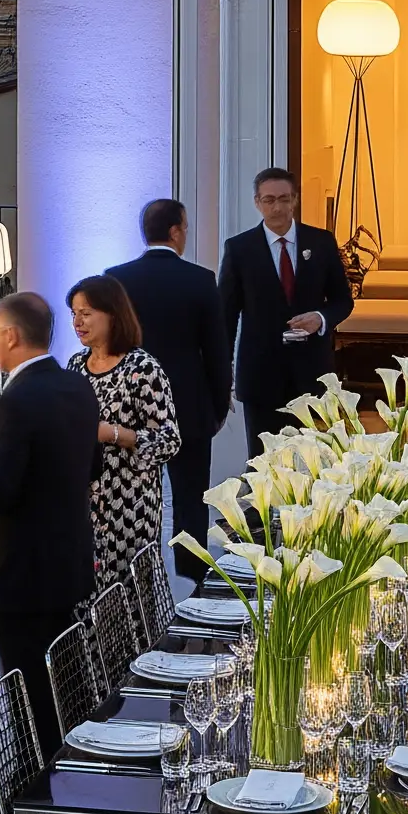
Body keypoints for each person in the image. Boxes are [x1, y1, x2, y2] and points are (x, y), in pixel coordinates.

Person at [0, 290, 101, 766]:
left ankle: (30, 794)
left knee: (26, 687)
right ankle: (65, 775)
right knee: (61, 681)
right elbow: (88, 465)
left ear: (11, 335)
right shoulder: (76, 385)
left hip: (18, 572)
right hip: (65, 560)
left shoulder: (16, 399)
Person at [110, 197, 230, 574]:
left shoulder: (116, 278)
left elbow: (108, 345)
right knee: (190, 499)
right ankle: (193, 578)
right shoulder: (199, 279)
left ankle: (135, 575)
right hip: (187, 408)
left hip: (130, 407)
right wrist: (217, 406)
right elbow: (216, 350)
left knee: (130, 497)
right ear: (176, 231)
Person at [218, 165, 353, 456]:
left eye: (283, 199)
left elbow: (344, 300)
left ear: (295, 200)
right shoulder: (240, 249)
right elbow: (226, 316)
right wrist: (222, 371)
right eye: (269, 200)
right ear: (257, 202)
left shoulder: (321, 242)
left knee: (311, 459)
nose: (277, 207)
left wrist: (320, 318)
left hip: (311, 372)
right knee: (263, 460)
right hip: (260, 374)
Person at [66, 274, 181, 585]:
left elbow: (169, 441)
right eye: (74, 313)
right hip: (83, 503)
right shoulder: (75, 366)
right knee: (86, 595)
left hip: (130, 506)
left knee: (127, 600)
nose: (78, 322)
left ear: (113, 315)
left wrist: (115, 434)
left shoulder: (143, 369)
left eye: (87, 313)